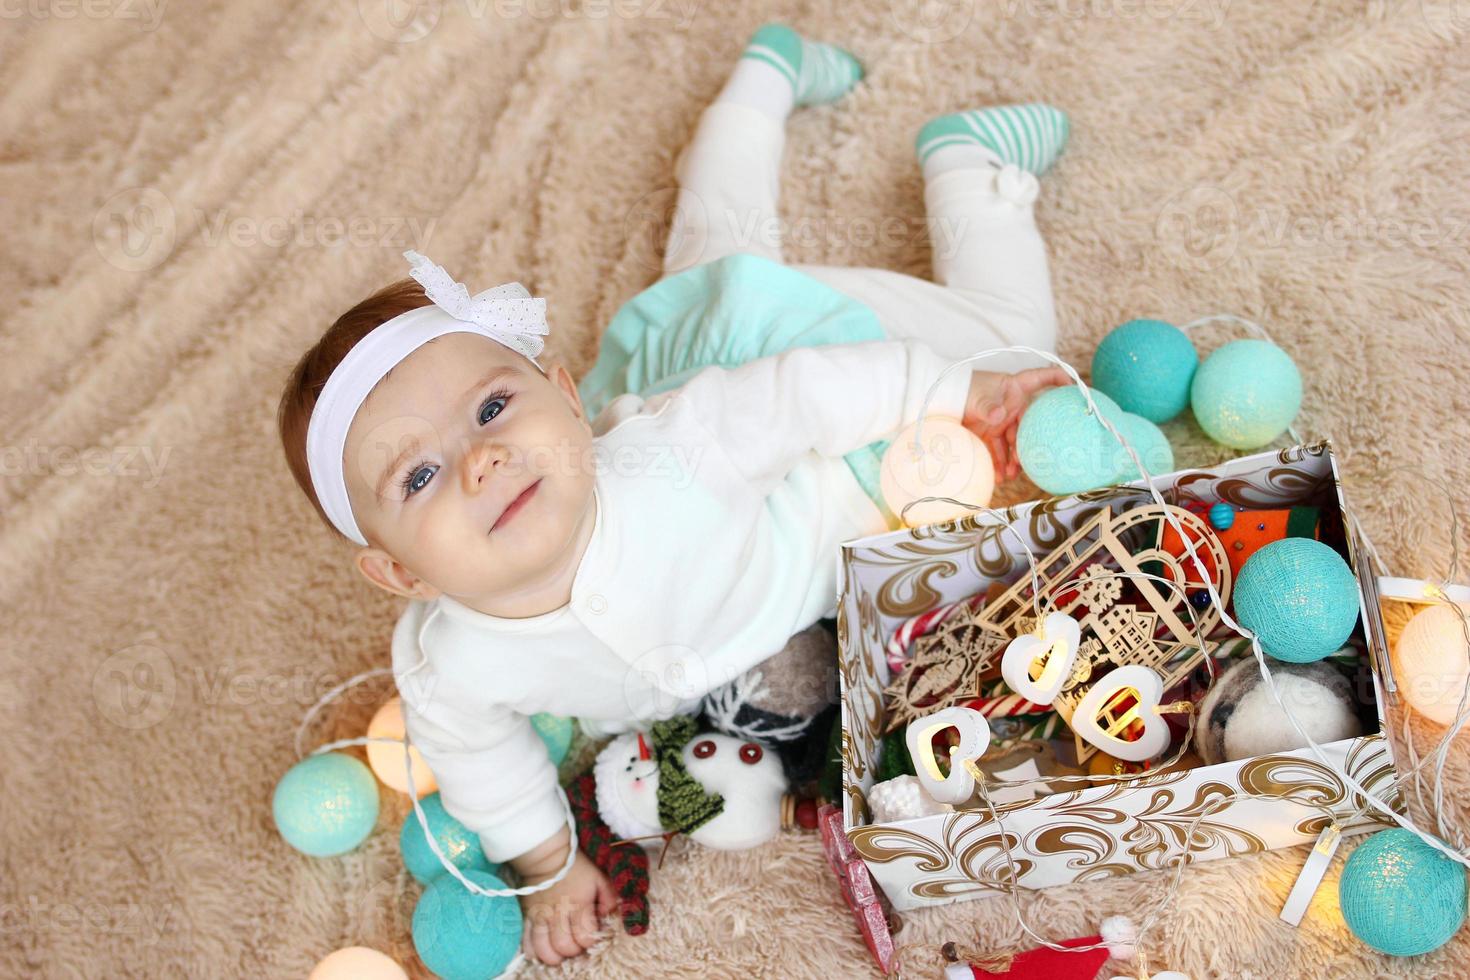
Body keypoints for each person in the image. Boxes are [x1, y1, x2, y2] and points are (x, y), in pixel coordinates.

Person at [276, 22, 1070, 966]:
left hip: (791, 395)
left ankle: (972, 166)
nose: (479, 461)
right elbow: (480, 760)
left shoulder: (679, 453)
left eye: (493, 406)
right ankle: (758, 82)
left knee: (1009, 356)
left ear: (567, 400)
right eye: (417, 475)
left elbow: (807, 394)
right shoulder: (450, 664)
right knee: (707, 250)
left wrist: (948, 394)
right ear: (398, 572)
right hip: (695, 349)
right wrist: (545, 860)